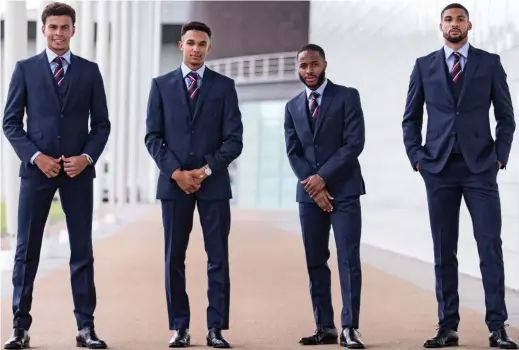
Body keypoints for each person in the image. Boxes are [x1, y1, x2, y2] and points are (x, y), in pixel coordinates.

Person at [402, 3, 517, 349]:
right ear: (441, 27)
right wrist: (417, 159)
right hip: (437, 169)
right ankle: (447, 326)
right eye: (449, 19)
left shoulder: (489, 63)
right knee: (443, 249)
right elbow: (410, 118)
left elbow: (506, 117)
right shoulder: (424, 66)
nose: (454, 24)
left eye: (460, 18)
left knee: (489, 247)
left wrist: (499, 157)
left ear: (470, 24)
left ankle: (497, 327)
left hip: (480, 168)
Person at [2, 2, 110, 349]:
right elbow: (11, 123)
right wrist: (36, 157)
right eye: (53, 27)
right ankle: (20, 328)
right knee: (26, 250)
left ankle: (86, 328)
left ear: (73, 30)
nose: (59, 33)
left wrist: (87, 157)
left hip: (78, 174)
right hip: (37, 173)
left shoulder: (90, 71)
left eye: (65, 27)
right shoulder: (25, 70)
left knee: (82, 252)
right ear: (43, 29)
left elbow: (102, 125)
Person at [144, 21, 243, 348]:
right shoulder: (160, 86)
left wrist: (205, 170)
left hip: (212, 185)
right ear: (181, 45)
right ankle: (180, 327)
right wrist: (176, 173)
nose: (196, 49)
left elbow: (234, 140)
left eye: (202, 44)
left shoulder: (224, 87)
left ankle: (216, 328)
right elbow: (153, 137)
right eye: (191, 43)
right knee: (174, 257)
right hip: (173, 185)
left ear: (209, 48)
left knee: (218, 257)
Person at [284, 44, 367, 349]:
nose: (309, 71)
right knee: (315, 261)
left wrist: (323, 179)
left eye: (314, 65)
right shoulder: (292, 107)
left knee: (348, 260)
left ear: (325, 64)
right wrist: (312, 185)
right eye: (303, 66)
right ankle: (325, 326)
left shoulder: (347, 96)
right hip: (309, 198)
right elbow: (293, 152)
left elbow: (353, 143)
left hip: (344, 190)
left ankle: (349, 328)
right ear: (298, 68)